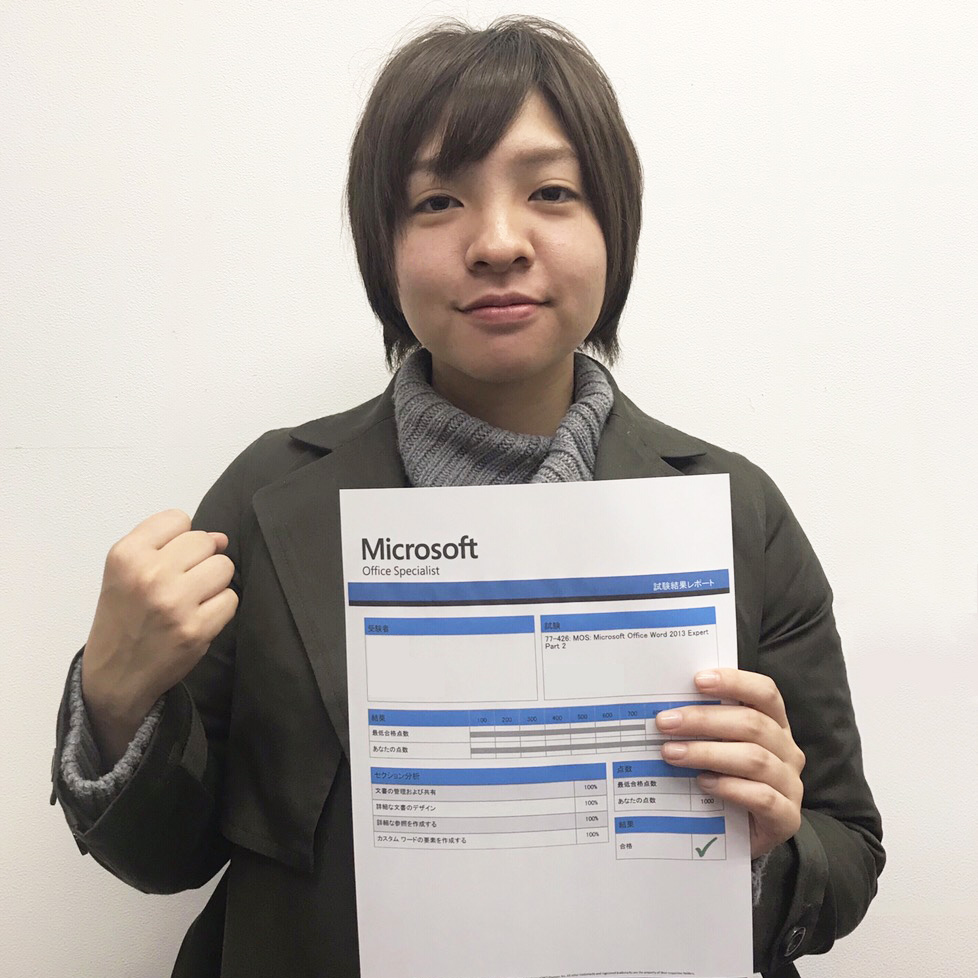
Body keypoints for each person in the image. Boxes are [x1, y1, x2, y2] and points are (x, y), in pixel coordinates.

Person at [51, 15, 884, 978]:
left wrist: (769, 844)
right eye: (438, 199)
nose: (496, 242)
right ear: (384, 244)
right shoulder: (268, 499)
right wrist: (116, 699)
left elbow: (849, 850)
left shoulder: (735, 512)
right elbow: (166, 858)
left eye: (552, 192)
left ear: (614, 226)